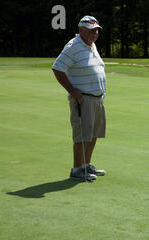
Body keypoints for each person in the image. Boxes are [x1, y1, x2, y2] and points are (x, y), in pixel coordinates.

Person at [52, 16, 107, 181]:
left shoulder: (91, 45)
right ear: (81, 30)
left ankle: (86, 165)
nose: (95, 33)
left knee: (94, 133)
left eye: (97, 30)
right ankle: (77, 169)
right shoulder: (73, 46)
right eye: (91, 30)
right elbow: (57, 68)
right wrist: (72, 90)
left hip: (97, 98)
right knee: (82, 135)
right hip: (83, 99)